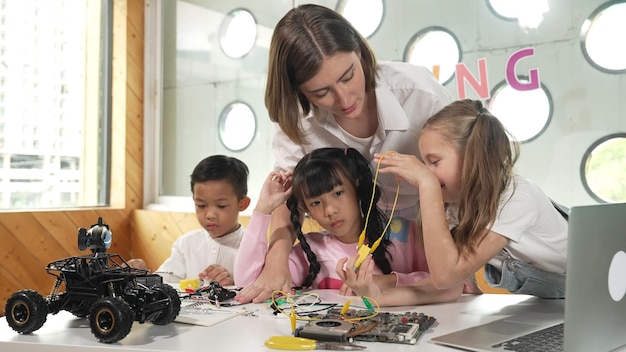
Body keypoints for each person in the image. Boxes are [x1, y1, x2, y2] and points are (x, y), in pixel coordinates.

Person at [246, 3, 453, 302]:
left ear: (360, 53)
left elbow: (467, 174)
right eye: (320, 92)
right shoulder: (295, 123)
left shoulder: (419, 93)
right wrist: (277, 261)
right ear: (298, 91)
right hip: (357, 246)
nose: (344, 100)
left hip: (428, 234)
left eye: (347, 76)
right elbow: (290, 199)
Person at [374, 99, 568, 298]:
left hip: (592, 279)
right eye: (424, 164)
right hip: (556, 299)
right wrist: (379, 292)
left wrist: (427, 184)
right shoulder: (454, 209)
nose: (427, 171)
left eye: (434, 162)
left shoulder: (516, 199)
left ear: (472, 157)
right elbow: (449, 281)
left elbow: (446, 276)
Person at [235, 148, 470, 306]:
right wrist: (262, 210)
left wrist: (387, 281)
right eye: (316, 202)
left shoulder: (404, 235)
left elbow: (450, 284)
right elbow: (247, 284)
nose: (329, 210)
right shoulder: (310, 252)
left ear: (356, 187)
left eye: (338, 193)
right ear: (306, 209)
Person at [127, 155, 250, 287]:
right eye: (201, 205)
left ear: (242, 203)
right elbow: (165, 280)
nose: (210, 215)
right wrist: (141, 277)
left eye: (221, 206)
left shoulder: (253, 248)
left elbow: (263, 293)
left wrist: (234, 285)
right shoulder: (186, 244)